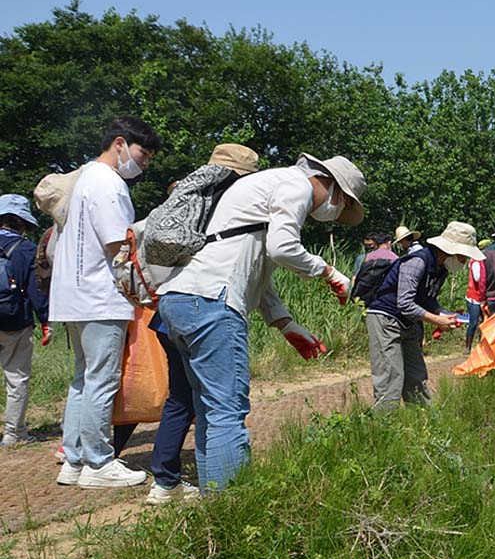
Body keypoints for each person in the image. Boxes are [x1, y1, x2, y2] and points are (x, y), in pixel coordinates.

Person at [157, 152, 361, 491]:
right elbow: (282, 249)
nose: (335, 213)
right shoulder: (296, 185)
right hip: (212, 302)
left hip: (181, 298)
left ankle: (215, 505)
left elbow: (257, 268)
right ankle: (231, 509)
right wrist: (327, 271)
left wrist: (285, 324)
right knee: (227, 411)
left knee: (210, 409)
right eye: (341, 205)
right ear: (333, 188)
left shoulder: (266, 186)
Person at [50, 116, 161, 489]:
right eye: (142, 155)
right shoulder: (110, 185)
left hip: (71, 295)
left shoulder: (84, 179)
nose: (143, 165)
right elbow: (119, 249)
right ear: (119, 143)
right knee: (102, 379)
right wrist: (144, 291)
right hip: (100, 296)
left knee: (82, 379)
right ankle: (99, 461)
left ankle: (75, 460)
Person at [146, 144, 260, 504]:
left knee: (192, 400)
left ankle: (174, 484)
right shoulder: (237, 210)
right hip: (209, 304)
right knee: (221, 406)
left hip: (170, 309)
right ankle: (229, 507)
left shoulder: (191, 201)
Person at [365, 221, 481, 411]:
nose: (464, 261)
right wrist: (436, 320)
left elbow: (427, 299)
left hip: (408, 323)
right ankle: (384, 428)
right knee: (390, 378)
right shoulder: (417, 262)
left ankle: (423, 423)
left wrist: (444, 313)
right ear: (450, 250)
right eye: (463, 256)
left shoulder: (440, 268)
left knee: (416, 376)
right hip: (385, 319)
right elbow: (404, 303)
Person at [0, 195, 51, 447]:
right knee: (16, 377)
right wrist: (45, 320)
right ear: (22, 223)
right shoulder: (27, 249)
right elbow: (37, 290)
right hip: (14, 321)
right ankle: (14, 433)